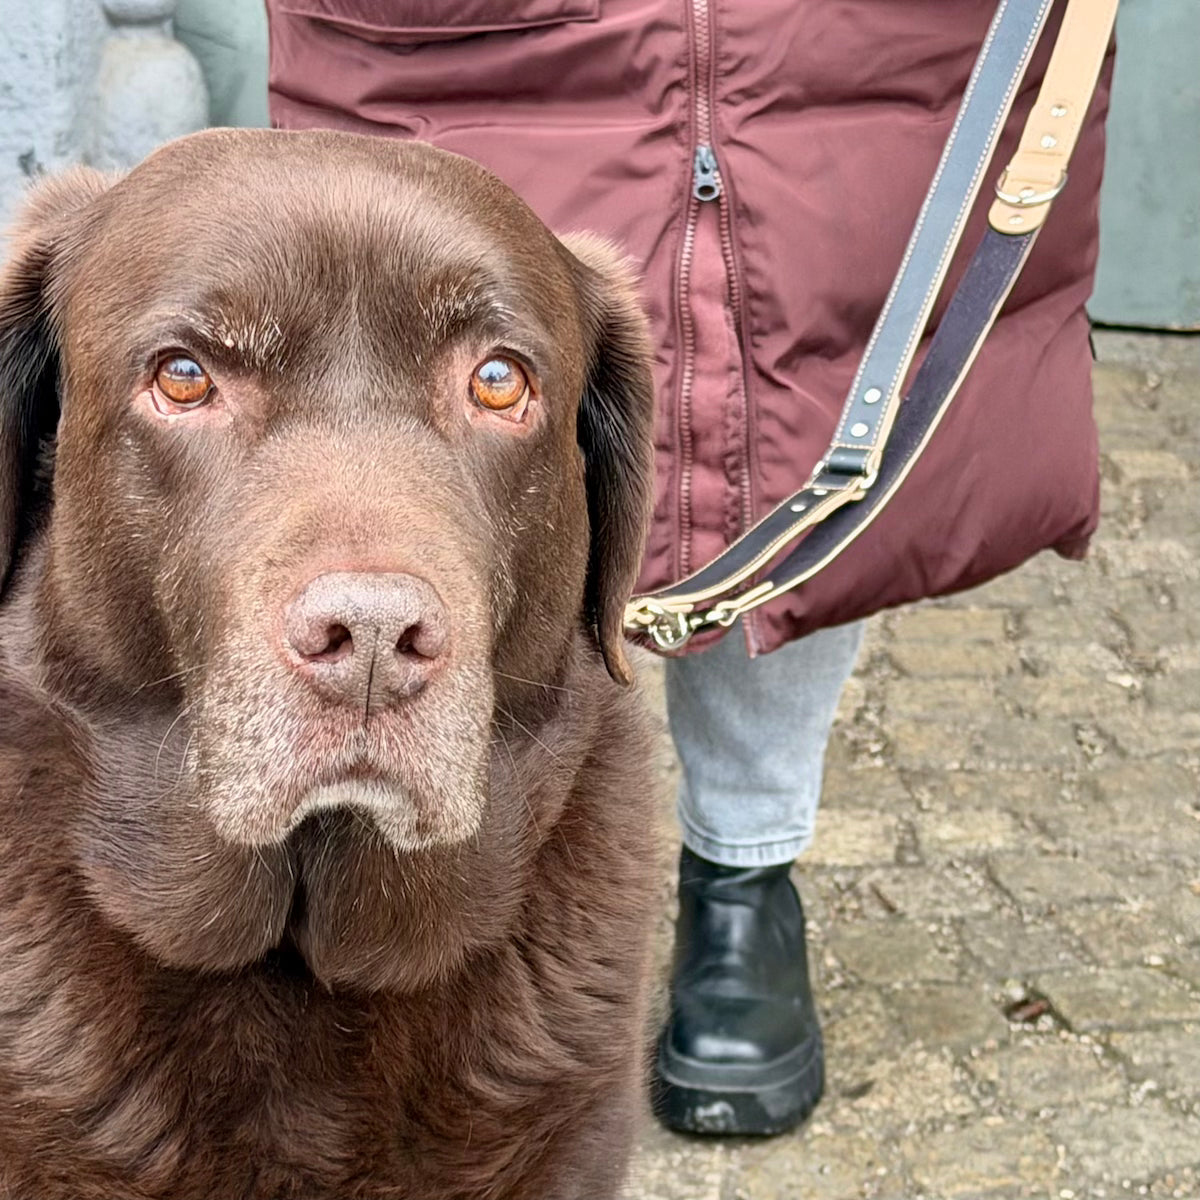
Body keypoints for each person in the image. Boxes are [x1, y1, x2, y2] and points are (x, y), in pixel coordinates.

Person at [264, 0, 1111, 1138]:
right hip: (472, 45)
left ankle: (743, 877)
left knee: (795, 421)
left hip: (835, 49)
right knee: (442, 447)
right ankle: (399, 870)